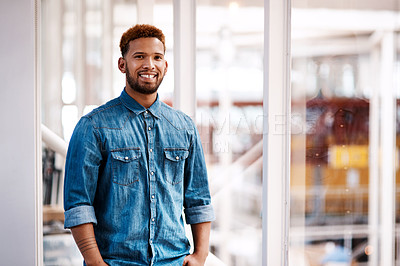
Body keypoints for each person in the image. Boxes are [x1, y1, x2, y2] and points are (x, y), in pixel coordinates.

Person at [63, 24, 215, 266]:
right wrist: (95, 262)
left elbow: (198, 199)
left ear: (165, 66)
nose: (149, 65)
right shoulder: (93, 126)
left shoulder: (184, 126)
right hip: (116, 262)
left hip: (174, 261)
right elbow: (78, 204)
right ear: (123, 64)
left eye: (157, 57)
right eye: (139, 57)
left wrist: (201, 255)